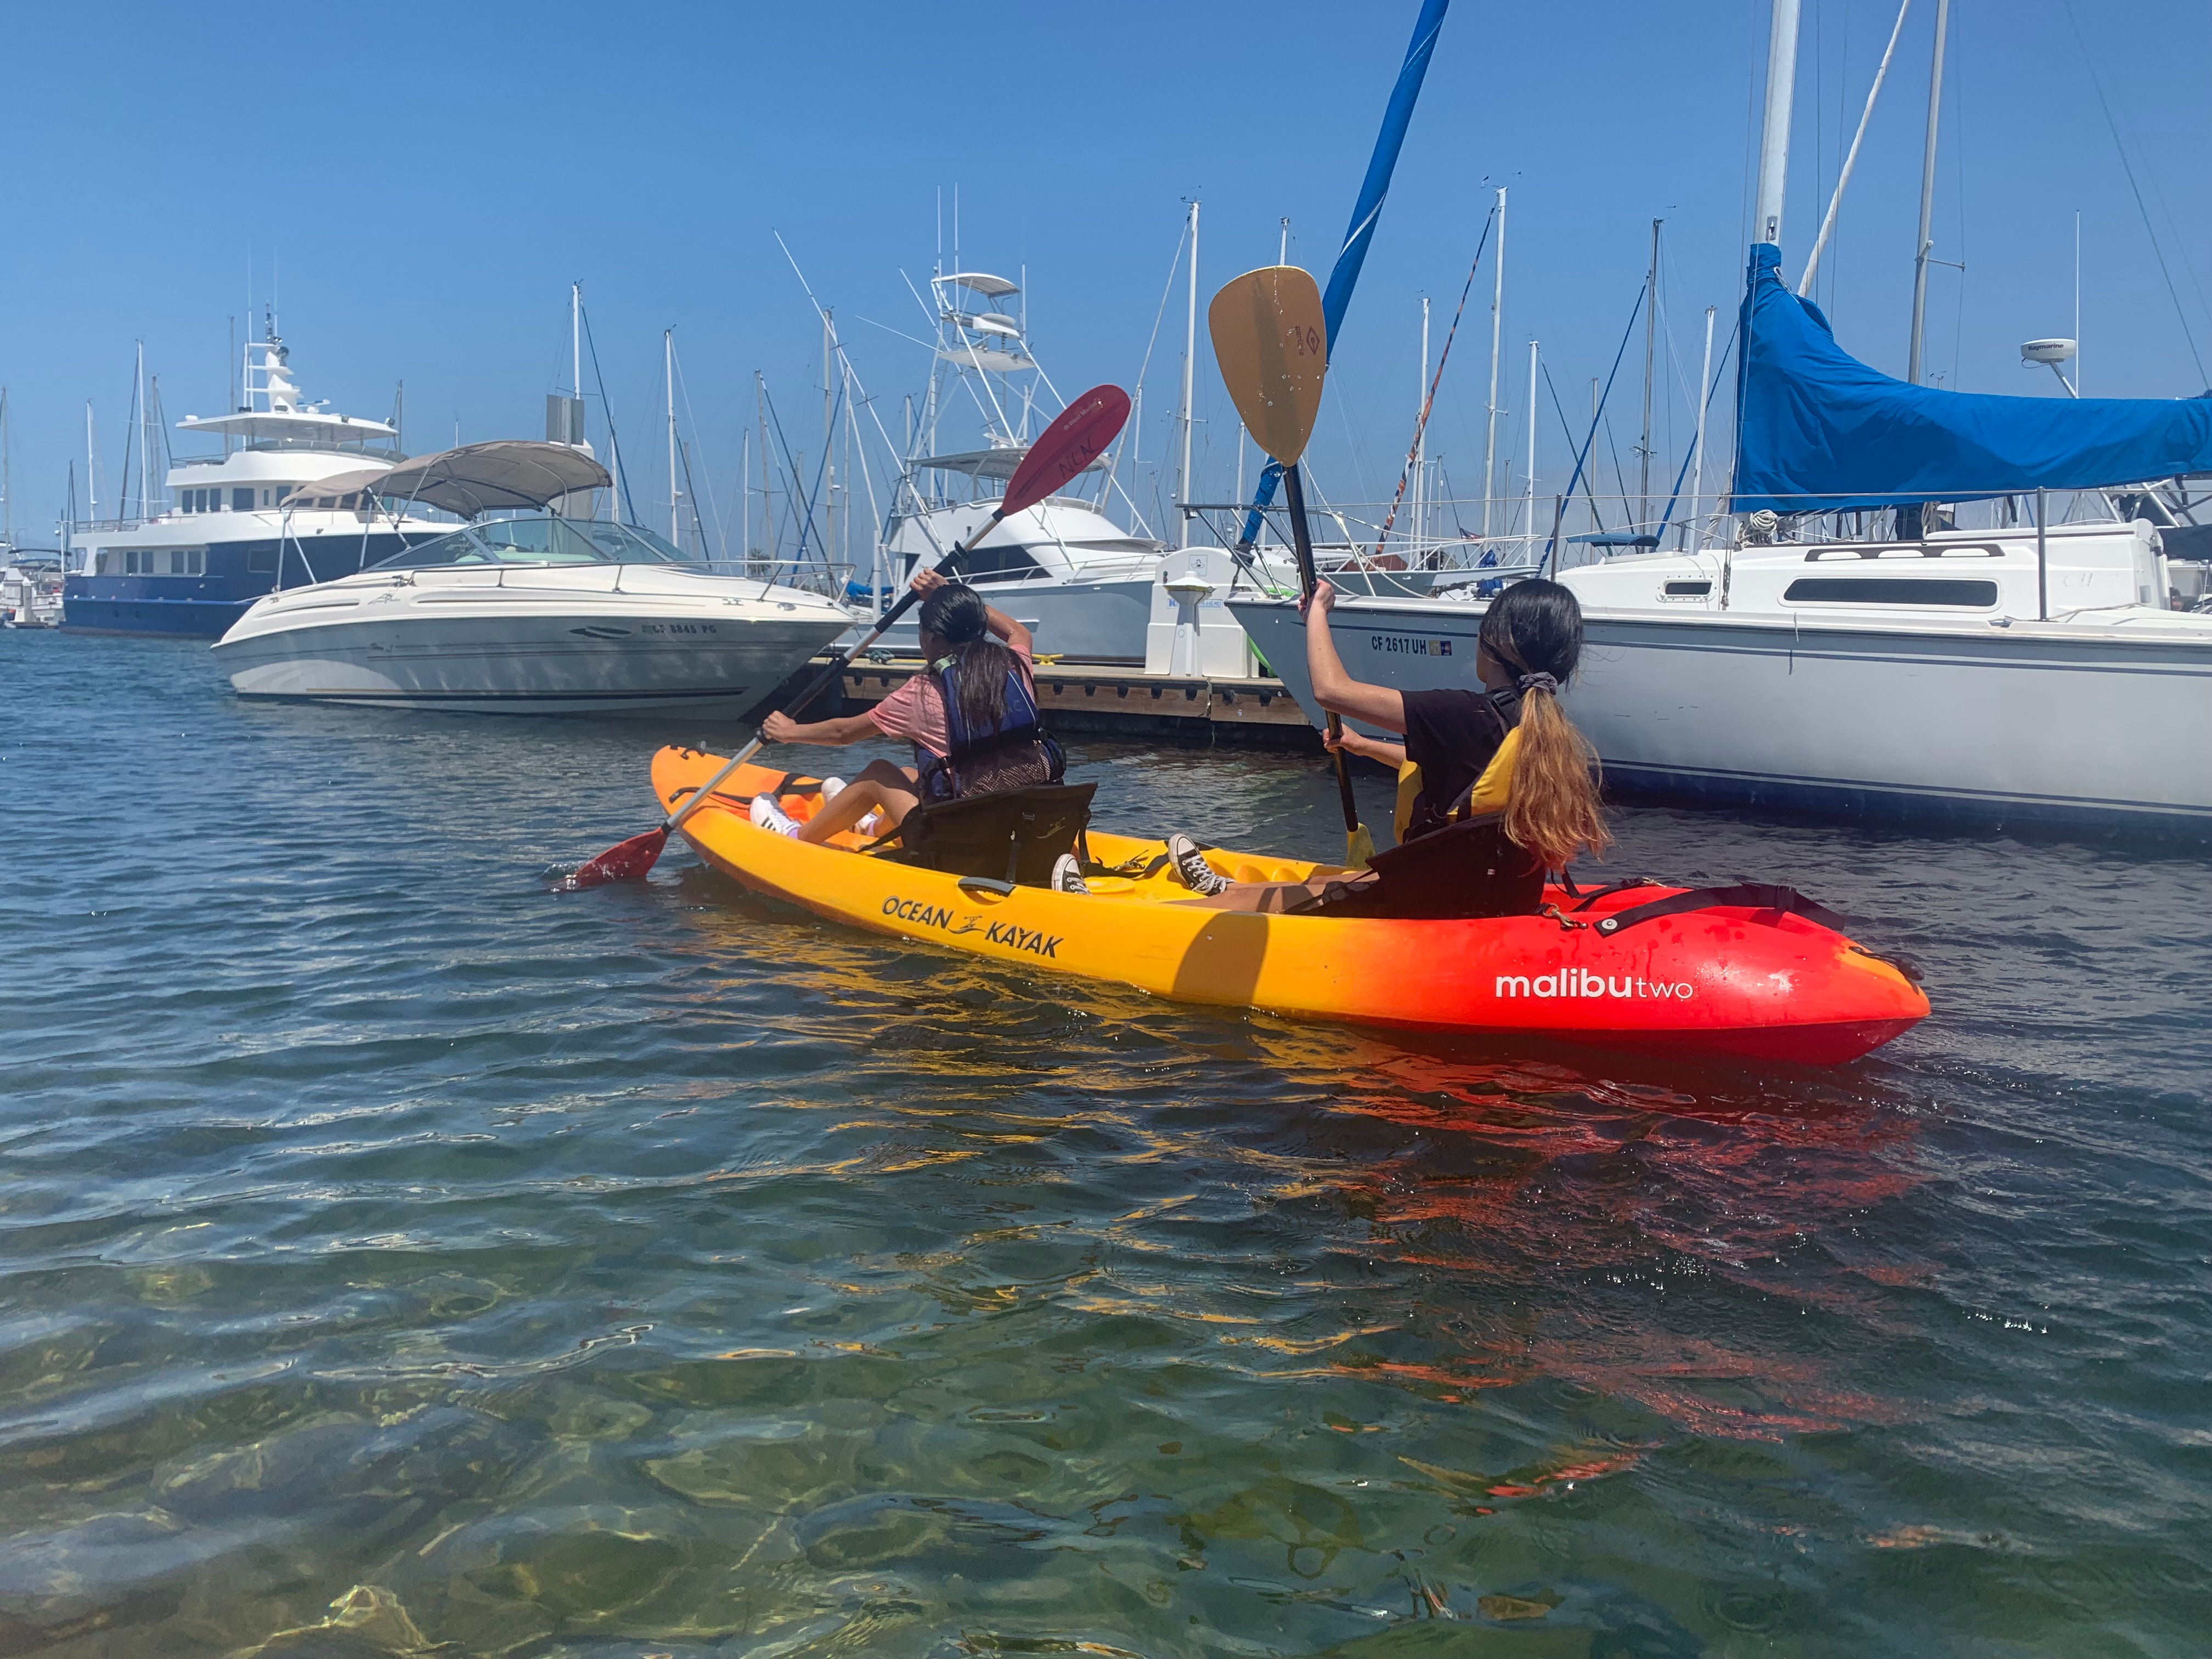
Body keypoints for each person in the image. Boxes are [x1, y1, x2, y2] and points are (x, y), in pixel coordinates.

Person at [1165, 576, 1611, 913]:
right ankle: (1223, 888)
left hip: (1431, 905)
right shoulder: (1544, 730)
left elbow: (1331, 691)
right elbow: (1468, 780)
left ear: (1491, 644)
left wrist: (1317, 612)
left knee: (1309, 895)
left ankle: (1191, 908)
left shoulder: (1464, 713)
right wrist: (1362, 745)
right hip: (1482, 896)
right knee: (1327, 884)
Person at [751, 568, 1068, 860]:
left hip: (960, 841)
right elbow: (1019, 632)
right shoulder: (1016, 666)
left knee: (879, 773)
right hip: (1023, 821)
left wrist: (788, 731)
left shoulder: (922, 692)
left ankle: (798, 836)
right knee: (912, 774)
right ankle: (874, 828)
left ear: (932, 637)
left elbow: (843, 733)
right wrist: (948, 593)